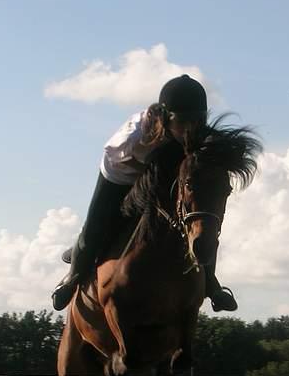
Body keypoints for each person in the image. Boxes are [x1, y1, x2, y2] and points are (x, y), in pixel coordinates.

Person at [52, 74, 238, 313]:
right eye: (183, 122)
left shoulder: (202, 134)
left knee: (202, 220)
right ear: (166, 117)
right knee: (97, 225)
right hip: (121, 173)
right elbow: (114, 156)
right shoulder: (137, 132)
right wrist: (147, 174)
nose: (189, 130)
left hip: (163, 176)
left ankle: (212, 285)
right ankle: (72, 277)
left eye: (196, 121)